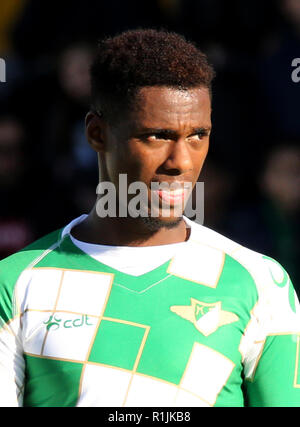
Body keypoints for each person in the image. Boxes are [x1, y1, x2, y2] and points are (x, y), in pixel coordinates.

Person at [0, 29, 299, 408]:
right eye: (157, 136)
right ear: (97, 133)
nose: (182, 163)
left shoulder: (259, 282)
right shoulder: (14, 285)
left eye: (198, 135)